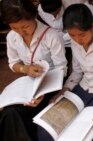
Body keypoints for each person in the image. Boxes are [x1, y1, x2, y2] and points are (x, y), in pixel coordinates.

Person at [37, 3, 93, 141]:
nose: (78, 39)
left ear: (92, 26)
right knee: (46, 131)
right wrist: (64, 90)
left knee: (90, 133)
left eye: (81, 34)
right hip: (83, 88)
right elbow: (77, 72)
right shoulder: (75, 43)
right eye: (72, 35)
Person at [0, 0, 67, 140]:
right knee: (9, 112)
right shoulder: (12, 37)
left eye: (24, 26)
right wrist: (25, 68)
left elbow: (62, 69)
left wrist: (43, 91)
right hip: (29, 85)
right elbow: (13, 64)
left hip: (51, 85)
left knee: (18, 114)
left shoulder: (52, 36)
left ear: (35, 16)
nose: (20, 32)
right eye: (14, 28)